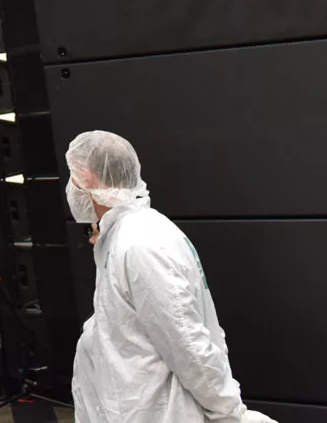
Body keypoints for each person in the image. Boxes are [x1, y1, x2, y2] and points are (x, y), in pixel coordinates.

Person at [67, 131, 277, 423]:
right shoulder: (127, 236)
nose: (70, 188)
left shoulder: (140, 243)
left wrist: (229, 412)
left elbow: (187, 343)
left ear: (88, 178)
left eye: (72, 177)